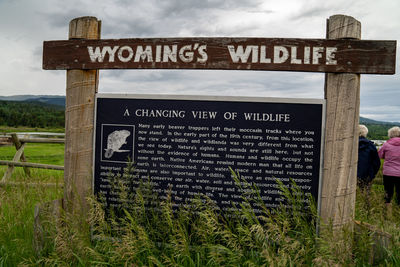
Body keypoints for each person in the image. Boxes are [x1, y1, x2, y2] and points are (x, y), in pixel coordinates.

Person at [379, 126, 400, 205]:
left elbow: (380, 155)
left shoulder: (386, 144)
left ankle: (387, 210)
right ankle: (397, 211)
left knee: (388, 192)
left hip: (388, 172)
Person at [357, 125, 381, 190]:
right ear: (365, 133)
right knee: (365, 195)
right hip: (367, 175)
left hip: (350, 175)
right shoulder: (371, 145)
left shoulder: (349, 144)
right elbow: (377, 163)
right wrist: (372, 175)